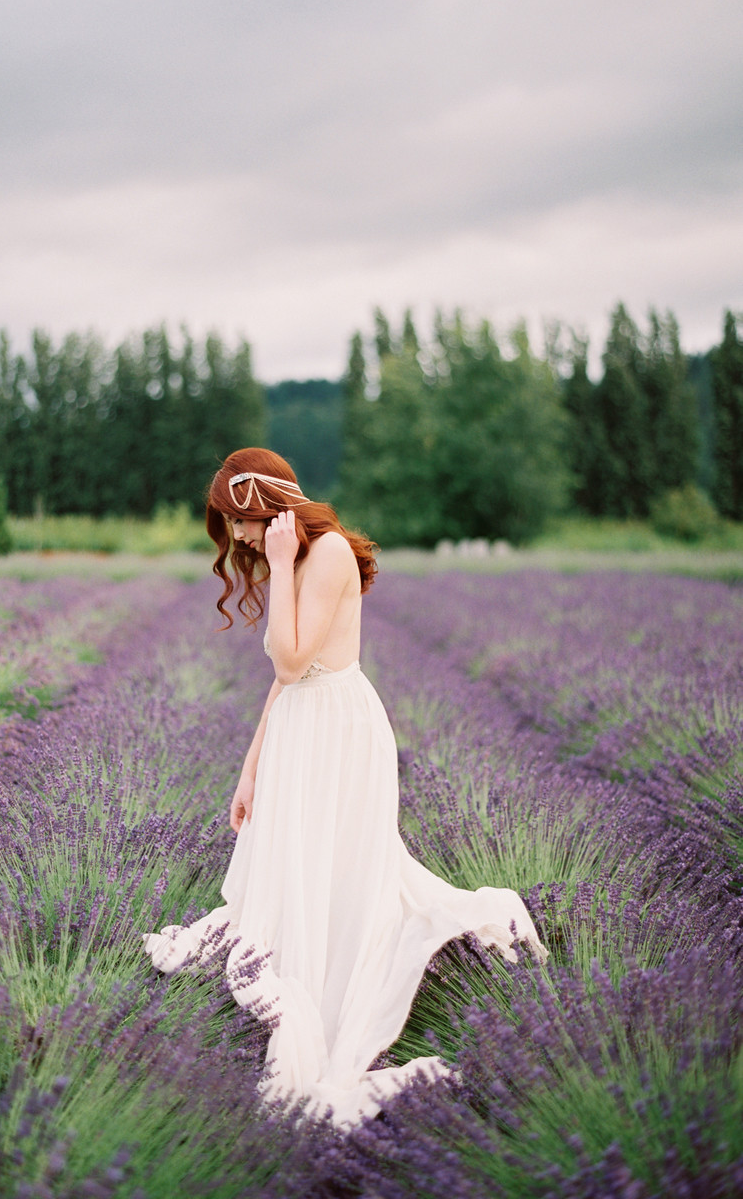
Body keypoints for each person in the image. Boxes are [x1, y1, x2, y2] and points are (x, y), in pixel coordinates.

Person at [144, 447, 546, 1126]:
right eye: (231, 528)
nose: (238, 538)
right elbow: (280, 681)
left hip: (337, 727)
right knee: (297, 867)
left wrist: (274, 564)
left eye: (240, 522)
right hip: (301, 725)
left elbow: (292, 658)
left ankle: (353, 986)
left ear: (269, 505)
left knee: (348, 869)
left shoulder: (323, 551)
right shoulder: (293, 556)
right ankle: (310, 959)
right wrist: (250, 768)